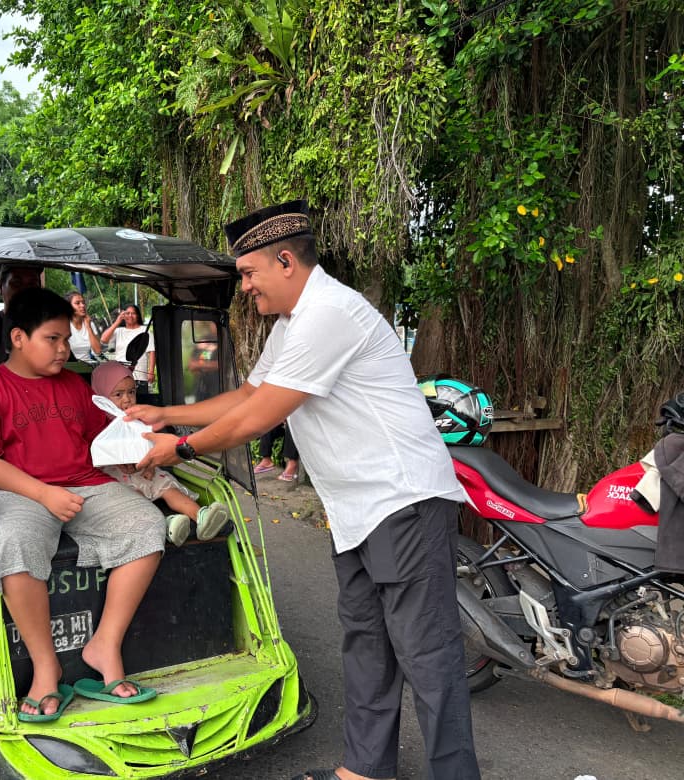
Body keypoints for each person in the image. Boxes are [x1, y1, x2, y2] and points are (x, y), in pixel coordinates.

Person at [127, 201, 479, 780]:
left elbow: (257, 417)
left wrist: (182, 449)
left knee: (429, 656)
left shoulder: (330, 314)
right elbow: (246, 394)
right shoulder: (291, 326)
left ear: (285, 261)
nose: (245, 288)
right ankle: (364, 771)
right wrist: (166, 413)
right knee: (367, 645)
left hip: (403, 503)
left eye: (248, 274)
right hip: (356, 511)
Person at [0, 287, 163, 721]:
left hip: (86, 485)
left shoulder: (75, 386)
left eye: (66, 340)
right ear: (19, 337)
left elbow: (107, 432)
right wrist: (43, 494)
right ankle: (46, 667)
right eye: (53, 339)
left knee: (146, 525)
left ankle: (104, 646)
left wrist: (139, 454)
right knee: (16, 543)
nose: (65, 349)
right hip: (21, 492)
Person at [90, 361, 228, 546]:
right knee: (133, 500)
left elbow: (151, 443)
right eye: (118, 394)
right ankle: (166, 525)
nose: (127, 399)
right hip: (116, 477)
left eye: (131, 392)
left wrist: (151, 465)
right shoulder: (98, 424)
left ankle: (201, 516)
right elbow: (96, 457)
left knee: (167, 488)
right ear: (102, 396)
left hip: (146, 470)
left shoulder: (138, 418)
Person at [100, 303, 155, 390]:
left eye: (133, 313)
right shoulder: (119, 331)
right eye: (127, 313)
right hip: (120, 377)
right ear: (123, 315)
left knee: (141, 400)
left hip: (139, 377)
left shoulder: (145, 330)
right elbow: (103, 339)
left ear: (138, 316)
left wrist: (151, 371)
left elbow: (151, 351)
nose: (130, 316)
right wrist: (117, 322)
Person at [64, 290, 102, 364]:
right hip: (70, 366)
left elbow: (98, 351)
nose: (83, 305)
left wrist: (88, 326)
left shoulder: (90, 324)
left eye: (83, 302)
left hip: (88, 366)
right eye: (77, 303)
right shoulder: (64, 324)